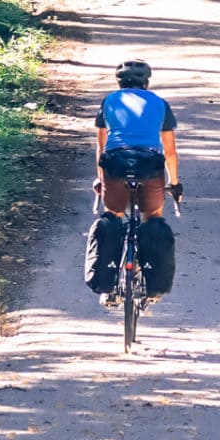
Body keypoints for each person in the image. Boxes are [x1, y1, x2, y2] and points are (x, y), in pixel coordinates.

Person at [84, 59, 184, 300]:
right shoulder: (160, 104)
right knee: (153, 217)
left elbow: (102, 147)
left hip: (116, 164)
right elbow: (169, 151)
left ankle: (108, 288)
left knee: (114, 215)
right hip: (150, 166)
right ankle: (152, 286)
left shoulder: (109, 102)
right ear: (146, 82)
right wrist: (175, 183)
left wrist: (101, 180)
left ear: (119, 82)